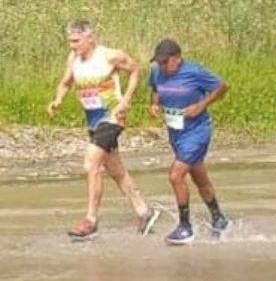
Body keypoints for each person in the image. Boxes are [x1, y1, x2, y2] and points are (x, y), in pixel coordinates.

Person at [47, 19, 161, 240]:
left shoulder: (110, 55)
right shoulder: (73, 58)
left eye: (76, 41)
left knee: (91, 164)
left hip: (112, 117)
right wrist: (58, 100)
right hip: (93, 120)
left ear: (90, 38)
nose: (72, 46)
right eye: (70, 41)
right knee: (115, 169)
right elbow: (65, 82)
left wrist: (126, 100)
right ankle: (144, 212)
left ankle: (91, 221)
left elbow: (136, 70)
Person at [148, 39, 231, 244]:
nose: (162, 66)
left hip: (197, 132)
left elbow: (222, 86)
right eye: (159, 62)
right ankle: (219, 218)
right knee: (199, 178)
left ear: (177, 58)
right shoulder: (157, 71)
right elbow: (156, 89)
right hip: (176, 133)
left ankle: (185, 227)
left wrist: (201, 105)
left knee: (176, 176)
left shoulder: (194, 72)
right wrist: (154, 104)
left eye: (166, 62)